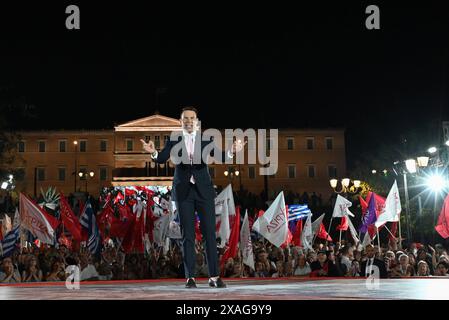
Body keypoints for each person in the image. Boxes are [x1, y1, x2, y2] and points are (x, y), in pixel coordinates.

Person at [141, 106, 244, 288]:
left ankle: (214, 277)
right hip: (183, 193)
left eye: (192, 118)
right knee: (187, 235)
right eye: (185, 119)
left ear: (197, 121)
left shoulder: (206, 139)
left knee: (209, 235)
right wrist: (153, 152)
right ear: (181, 122)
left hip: (203, 191)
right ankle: (190, 278)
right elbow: (163, 157)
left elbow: (220, 156)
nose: (189, 121)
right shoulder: (174, 139)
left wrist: (232, 151)